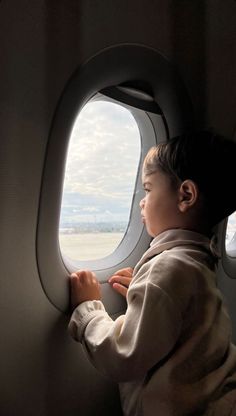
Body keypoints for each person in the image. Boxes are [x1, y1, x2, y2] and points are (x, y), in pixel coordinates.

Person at [68, 130, 236, 415]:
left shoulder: (168, 269)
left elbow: (122, 355)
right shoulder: (196, 263)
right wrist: (145, 292)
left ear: (186, 195)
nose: (142, 202)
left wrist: (88, 310)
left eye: (148, 189)